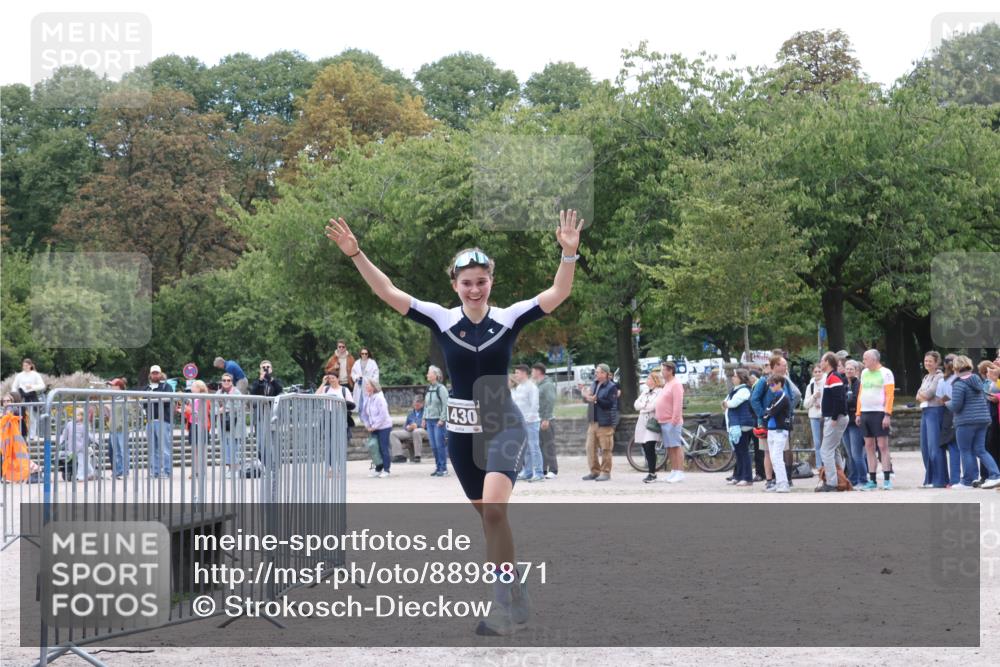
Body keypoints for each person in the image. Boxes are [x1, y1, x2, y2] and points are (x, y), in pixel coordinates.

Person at [325, 208, 583, 635]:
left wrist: (568, 254)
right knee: (488, 519)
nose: (475, 289)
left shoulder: (509, 317)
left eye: (482, 281)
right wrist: (356, 254)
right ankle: (515, 585)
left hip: (503, 426)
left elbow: (558, 292)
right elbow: (387, 291)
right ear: (455, 286)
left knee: (495, 512)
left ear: (491, 282)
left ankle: (501, 607)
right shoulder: (442, 319)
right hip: (461, 434)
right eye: (467, 283)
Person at [948, 355, 1000, 489]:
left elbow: (956, 406)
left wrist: (947, 403)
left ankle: (967, 481)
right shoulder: (977, 380)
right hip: (982, 420)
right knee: (980, 450)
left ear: (956, 368)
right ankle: (995, 475)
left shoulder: (959, 384)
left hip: (966, 421)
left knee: (965, 450)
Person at [751, 354, 802, 490]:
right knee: (768, 452)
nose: (786, 367)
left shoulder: (785, 381)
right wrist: (763, 415)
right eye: (783, 365)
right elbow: (754, 399)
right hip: (767, 423)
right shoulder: (764, 381)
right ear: (775, 366)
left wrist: (787, 413)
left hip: (781, 423)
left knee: (782, 452)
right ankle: (770, 480)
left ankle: (783, 480)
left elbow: (793, 396)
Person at [855, 349, 895, 491]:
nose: (863, 361)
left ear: (874, 359)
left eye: (865, 358)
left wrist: (887, 414)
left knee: (883, 446)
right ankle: (872, 480)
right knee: (869, 446)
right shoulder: (864, 373)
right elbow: (861, 393)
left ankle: (887, 479)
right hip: (865, 412)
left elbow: (889, 395)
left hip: (879, 412)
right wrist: (858, 413)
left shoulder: (886, 373)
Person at [816, 352, 849, 492]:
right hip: (835, 417)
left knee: (825, 450)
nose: (820, 363)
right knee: (833, 449)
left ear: (827, 362)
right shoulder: (831, 377)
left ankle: (832, 483)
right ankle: (840, 480)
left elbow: (839, 399)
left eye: (822, 361)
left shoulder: (833, 377)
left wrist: (834, 417)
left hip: (836, 418)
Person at [582, 363, 620, 482]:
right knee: (590, 448)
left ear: (605, 373)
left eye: (598, 372)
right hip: (593, 421)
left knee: (606, 448)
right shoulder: (594, 384)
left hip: (605, 423)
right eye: (596, 372)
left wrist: (596, 399)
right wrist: (586, 396)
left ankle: (605, 472)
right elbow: (589, 399)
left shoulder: (612, 387)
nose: (596, 374)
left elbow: (610, 404)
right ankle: (594, 471)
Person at [915, 351, 947, 488]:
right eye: (925, 360)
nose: (927, 363)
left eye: (930, 361)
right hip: (926, 411)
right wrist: (922, 396)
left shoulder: (939, 376)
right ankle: (930, 478)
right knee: (925, 447)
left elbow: (928, 394)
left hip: (935, 411)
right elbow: (917, 395)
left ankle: (940, 480)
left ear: (936, 363)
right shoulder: (926, 377)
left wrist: (922, 395)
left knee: (934, 447)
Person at [140, 365, 174, 478]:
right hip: (150, 420)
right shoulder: (147, 387)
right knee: (152, 448)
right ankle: (155, 471)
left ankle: (167, 471)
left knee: (165, 448)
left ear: (160, 374)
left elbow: (167, 401)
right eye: (153, 373)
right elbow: (144, 403)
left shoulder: (166, 386)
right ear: (150, 375)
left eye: (157, 373)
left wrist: (152, 397)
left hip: (163, 420)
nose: (155, 375)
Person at [511, 365, 543, 482]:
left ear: (524, 373)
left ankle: (539, 473)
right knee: (525, 449)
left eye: (517, 373)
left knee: (534, 447)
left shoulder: (532, 387)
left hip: (531, 422)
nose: (515, 375)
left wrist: (528, 419)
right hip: (521, 422)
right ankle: (528, 472)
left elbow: (535, 405)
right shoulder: (519, 387)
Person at [723, 368, 754, 487]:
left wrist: (726, 404)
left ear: (741, 378)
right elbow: (725, 403)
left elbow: (732, 403)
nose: (733, 378)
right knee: (738, 452)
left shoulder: (744, 390)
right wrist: (725, 404)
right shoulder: (735, 390)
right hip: (735, 424)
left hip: (742, 424)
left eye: (735, 376)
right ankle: (738, 476)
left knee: (743, 452)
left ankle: (747, 477)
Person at [655, 360, 685, 484]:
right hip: (664, 421)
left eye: (663, 370)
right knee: (669, 448)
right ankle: (674, 470)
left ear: (670, 371)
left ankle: (680, 472)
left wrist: (674, 421)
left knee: (676, 447)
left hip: (672, 421)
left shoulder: (676, 384)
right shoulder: (667, 384)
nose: (661, 372)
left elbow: (678, 404)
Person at [763, 375, 793, 493]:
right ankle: (779, 482)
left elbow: (772, 410)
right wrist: (767, 412)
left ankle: (784, 483)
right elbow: (768, 411)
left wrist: (767, 412)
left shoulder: (782, 395)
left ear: (780, 383)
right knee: (773, 457)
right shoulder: (776, 395)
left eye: (772, 384)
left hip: (779, 430)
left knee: (777, 457)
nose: (770, 387)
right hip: (772, 430)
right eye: (769, 384)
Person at [936, 354, 963, 487]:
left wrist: (948, 400)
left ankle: (955, 479)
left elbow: (940, 400)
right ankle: (962, 478)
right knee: (961, 447)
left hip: (949, 412)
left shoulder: (943, 381)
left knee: (953, 447)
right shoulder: (962, 378)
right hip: (960, 412)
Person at [635, 370, 664, 483]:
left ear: (655, 380)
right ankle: (651, 472)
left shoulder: (660, 392)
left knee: (649, 446)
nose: (647, 380)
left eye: (649, 378)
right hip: (642, 421)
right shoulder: (645, 391)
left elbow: (653, 406)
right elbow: (636, 404)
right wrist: (644, 406)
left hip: (652, 422)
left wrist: (643, 406)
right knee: (644, 446)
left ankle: (652, 473)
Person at [842, 360, 867, 487]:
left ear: (856, 371)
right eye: (847, 368)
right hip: (844, 422)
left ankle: (863, 479)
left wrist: (846, 401)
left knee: (857, 453)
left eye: (851, 369)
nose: (849, 371)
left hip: (855, 422)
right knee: (849, 453)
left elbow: (856, 401)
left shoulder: (859, 384)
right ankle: (853, 478)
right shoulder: (843, 384)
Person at [361, 380, 393, 478]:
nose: (366, 386)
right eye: (366, 385)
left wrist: (374, 426)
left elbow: (383, 415)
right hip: (373, 427)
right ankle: (378, 469)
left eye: (368, 385)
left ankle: (386, 470)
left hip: (384, 427)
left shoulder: (379, 398)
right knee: (374, 448)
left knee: (383, 448)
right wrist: (367, 425)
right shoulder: (367, 398)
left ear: (374, 387)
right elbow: (364, 414)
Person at [532, 363, 558, 479]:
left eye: (533, 371)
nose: (532, 373)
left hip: (546, 419)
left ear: (538, 372)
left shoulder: (547, 385)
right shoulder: (538, 385)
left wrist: (546, 418)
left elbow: (550, 401)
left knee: (549, 445)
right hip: (539, 419)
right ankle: (543, 469)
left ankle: (553, 470)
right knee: (541, 445)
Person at [423, 366, 450, 477]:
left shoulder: (441, 388)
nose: (427, 375)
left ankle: (443, 468)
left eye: (429, 373)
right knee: (433, 446)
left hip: (438, 421)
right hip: (429, 421)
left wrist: (442, 419)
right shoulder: (429, 388)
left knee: (440, 445)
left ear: (435, 375)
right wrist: (424, 418)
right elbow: (426, 405)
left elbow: (446, 404)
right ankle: (438, 467)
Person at [215, 373, 243, 479]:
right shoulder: (218, 393)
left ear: (232, 382)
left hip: (235, 424)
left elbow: (238, 405)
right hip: (223, 424)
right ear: (221, 381)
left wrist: (224, 408)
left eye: (228, 380)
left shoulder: (237, 392)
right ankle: (230, 468)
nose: (226, 382)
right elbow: (214, 408)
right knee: (225, 447)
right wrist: (220, 410)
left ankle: (236, 468)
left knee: (234, 446)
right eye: (224, 380)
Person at [59, 408, 98, 481]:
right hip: (72, 447)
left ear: (82, 416)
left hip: (82, 448)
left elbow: (89, 435)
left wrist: (95, 441)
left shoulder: (84, 425)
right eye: (75, 415)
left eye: (78, 415)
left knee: (81, 462)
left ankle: (80, 476)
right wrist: (61, 442)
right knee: (85, 462)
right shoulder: (70, 424)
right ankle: (91, 473)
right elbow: (64, 434)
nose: (75, 416)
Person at [104, 378, 132, 479]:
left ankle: (125, 472)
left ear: (119, 387)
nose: (111, 387)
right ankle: (118, 471)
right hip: (113, 429)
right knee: (116, 452)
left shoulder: (125, 398)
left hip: (122, 429)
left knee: (123, 451)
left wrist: (122, 424)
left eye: (113, 385)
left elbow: (129, 413)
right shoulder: (113, 398)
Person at [390, 395, 427, 463]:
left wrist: (417, 425)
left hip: (423, 431)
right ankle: (398, 456)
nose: (416, 404)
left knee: (416, 431)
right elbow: (405, 425)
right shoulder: (411, 413)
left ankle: (417, 456)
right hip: (410, 431)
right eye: (415, 402)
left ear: (422, 404)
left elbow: (428, 425)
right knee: (393, 434)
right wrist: (408, 427)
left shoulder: (426, 412)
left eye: (419, 402)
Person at [803, 364, 824, 468]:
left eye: (819, 371)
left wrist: (822, 405)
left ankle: (828, 465)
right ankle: (819, 466)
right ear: (813, 373)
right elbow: (806, 404)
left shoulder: (826, 384)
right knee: (817, 442)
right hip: (814, 416)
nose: (818, 373)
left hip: (824, 416)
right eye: (815, 372)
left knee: (826, 442)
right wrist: (814, 397)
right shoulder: (810, 386)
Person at [351, 348, 379, 420]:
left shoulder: (372, 363)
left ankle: (369, 418)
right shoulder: (357, 363)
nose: (364, 355)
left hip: (368, 385)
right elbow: (353, 373)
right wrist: (357, 377)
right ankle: (362, 418)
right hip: (359, 385)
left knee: (368, 403)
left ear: (368, 354)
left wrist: (372, 383)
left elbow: (376, 373)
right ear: (360, 354)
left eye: (366, 353)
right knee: (360, 403)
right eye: (362, 353)